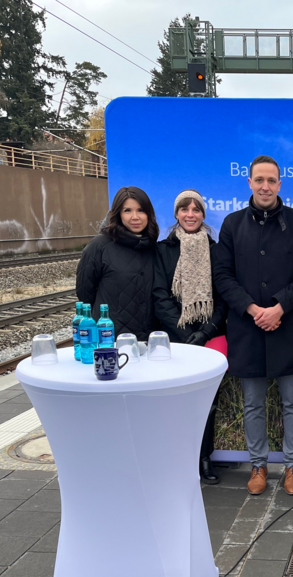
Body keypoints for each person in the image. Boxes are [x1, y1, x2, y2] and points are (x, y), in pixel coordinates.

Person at [214, 156, 293, 496]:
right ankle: (258, 465)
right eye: (259, 180)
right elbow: (223, 277)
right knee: (253, 403)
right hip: (247, 327)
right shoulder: (231, 225)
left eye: (271, 180)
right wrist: (253, 309)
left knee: (292, 401)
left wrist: (279, 308)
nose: (265, 186)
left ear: (280, 184)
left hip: (287, 326)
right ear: (249, 182)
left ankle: (292, 467)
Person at [152, 189, 229, 486]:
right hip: (176, 338)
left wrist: (206, 331)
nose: (190, 215)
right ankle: (180, 461)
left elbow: (223, 295)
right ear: (176, 214)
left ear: (203, 215)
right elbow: (160, 296)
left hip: (212, 335)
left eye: (196, 210)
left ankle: (205, 458)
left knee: (208, 402)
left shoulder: (217, 249)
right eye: (185, 209)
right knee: (177, 401)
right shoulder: (164, 249)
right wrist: (185, 333)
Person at [77, 186, 159, 341]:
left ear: (149, 214)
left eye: (141, 210)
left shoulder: (153, 247)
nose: (135, 217)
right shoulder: (99, 246)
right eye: (127, 210)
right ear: (118, 214)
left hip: (148, 339)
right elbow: (85, 293)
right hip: (110, 339)